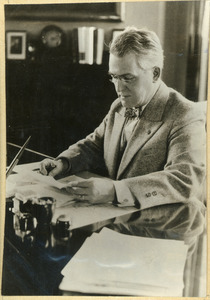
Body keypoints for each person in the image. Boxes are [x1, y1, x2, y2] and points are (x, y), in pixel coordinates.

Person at [40, 27, 206, 211]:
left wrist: (115, 190)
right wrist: (64, 163)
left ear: (155, 74)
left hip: (165, 226)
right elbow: (95, 144)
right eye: (114, 77)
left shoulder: (185, 114)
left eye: (127, 78)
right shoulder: (119, 106)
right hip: (120, 218)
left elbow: (184, 181)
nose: (119, 89)